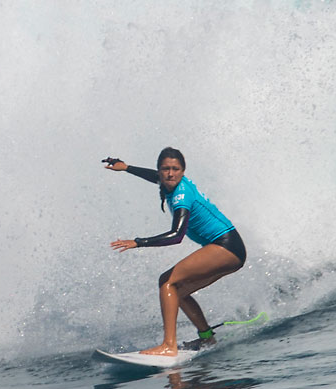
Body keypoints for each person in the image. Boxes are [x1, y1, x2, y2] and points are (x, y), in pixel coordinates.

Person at [103, 147, 246, 356]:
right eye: (165, 169)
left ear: (183, 171)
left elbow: (176, 236)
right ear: (160, 170)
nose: (170, 174)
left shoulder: (182, 196)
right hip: (227, 247)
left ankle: (169, 346)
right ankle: (207, 337)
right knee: (177, 292)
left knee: (166, 282)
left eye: (175, 169)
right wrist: (126, 168)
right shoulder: (168, 181)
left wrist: (138, 242)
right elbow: (156, 177)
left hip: (226, 246)